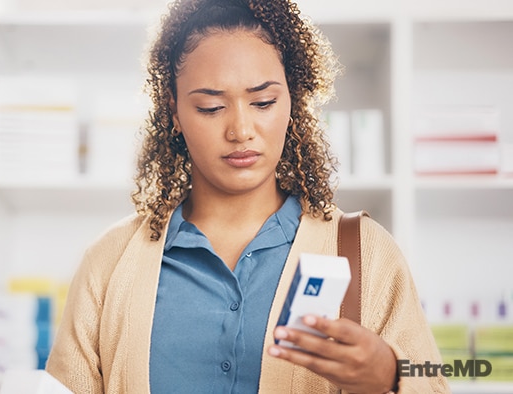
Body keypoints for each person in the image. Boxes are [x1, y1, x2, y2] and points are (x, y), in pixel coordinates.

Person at [46, 0, 449, 392]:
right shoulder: (110, 262)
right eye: (210, 107)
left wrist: (391, 374)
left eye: (263, 102)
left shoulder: (365, 251)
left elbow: (432, 377)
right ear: (173, 112)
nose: (241, 129)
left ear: (293, 99)